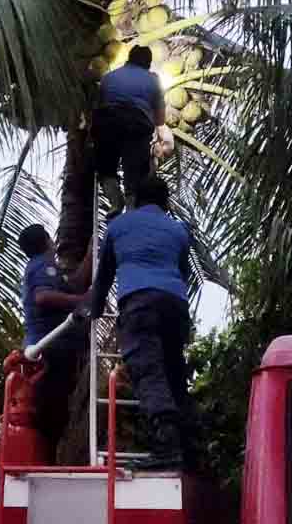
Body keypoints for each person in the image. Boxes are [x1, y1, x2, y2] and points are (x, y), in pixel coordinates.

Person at [86, 175, 192, 470]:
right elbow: (182, 273)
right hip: (174, 304)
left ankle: (167, 446)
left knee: (148, 370)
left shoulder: (119, 226)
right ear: (166, 203)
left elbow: (104, 276)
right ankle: (188, 449)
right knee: (173, 373)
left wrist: (92, 310)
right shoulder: (179, 230)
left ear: (134, 200)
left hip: (139, 303)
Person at [18, 224, 92, 463]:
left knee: (55, 412)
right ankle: (43, 462)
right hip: (48, 350)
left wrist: (92, 250)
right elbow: (43, 297)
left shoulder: (48, 269)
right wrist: (80, 301)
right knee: (50, 413)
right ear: (48, 242)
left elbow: (77, 283)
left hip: (52, 350)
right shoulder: (43, 265)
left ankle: (46, 460)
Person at [93, 45, 166, 216]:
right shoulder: (153, 80)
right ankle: (132, 210)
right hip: (137, 124)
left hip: (107, 122)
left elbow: (98, 104)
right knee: (134, 170)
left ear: (128, 59)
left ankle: (114, 202)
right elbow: (160, 119)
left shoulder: (109, 77)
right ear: (148, 63)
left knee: (106, 166)